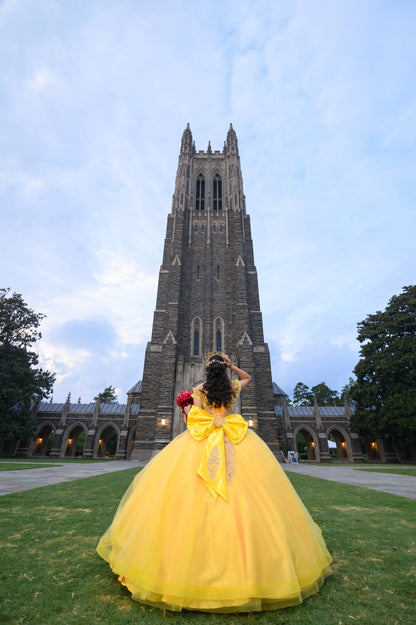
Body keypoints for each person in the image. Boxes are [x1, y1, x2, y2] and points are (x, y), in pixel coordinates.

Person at [96, 352, 332, 612]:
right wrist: (233, 366)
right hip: (234, 438)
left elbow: (194, 420)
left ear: (207, 371)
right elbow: (249, 378)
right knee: (248, 494)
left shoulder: (199, 389)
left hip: (205, 440)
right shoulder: (232, 387)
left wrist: (188, 409)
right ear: (224, 370)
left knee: (186, 494)